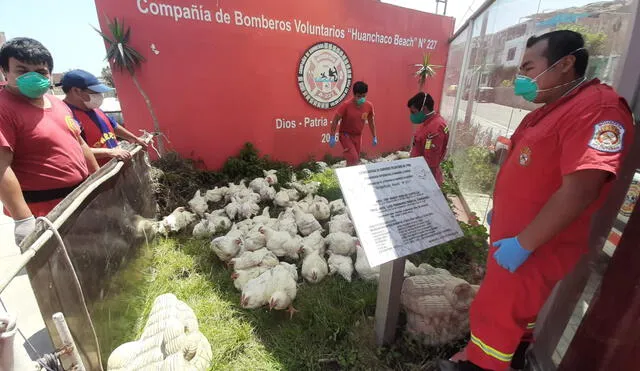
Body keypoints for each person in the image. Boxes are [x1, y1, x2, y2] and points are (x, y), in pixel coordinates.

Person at [439, 31, 635, 371]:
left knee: (497, 312)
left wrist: (524, 243)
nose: (522, 79)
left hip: (534, 246)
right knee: (515, 314)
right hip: (517, 240)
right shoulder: (552, 109)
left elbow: (581, 189)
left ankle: (478, 365)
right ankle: (511, 358)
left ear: (565, 64)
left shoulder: (598, 110)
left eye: (529, 68)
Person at [0, 38, 100, 245]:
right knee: (61, 273)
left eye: (41, 71)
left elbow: (80, 144)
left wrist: (99, 183)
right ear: (4, 71)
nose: (33, 77)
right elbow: (1, 166)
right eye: (22, 70)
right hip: (44, 212)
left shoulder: (57, 104)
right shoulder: (4, 108)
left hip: (79, 199)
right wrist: (23, 219)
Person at [61, 69, 147, 165]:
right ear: (76, 91)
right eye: (95, 92)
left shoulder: (93, 108)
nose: (100, 96)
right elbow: (75, 150)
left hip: (115, 164)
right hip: (97, 173)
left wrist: (135, 139)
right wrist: (109, 152)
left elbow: (113, 125)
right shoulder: (65, 116)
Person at [329, 81, 377, 166]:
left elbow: (371, 121)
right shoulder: (346, 105)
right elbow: (335, 120)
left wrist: (374, 136)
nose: (361, 98)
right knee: (353, 158)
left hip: (358, 136)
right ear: (354, 94)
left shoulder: (368, 106)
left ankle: (349, 177)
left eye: (364, 96)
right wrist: (332, 136)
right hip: (345, 135)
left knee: (354, 160)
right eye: (359, 96)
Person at [408, 92, 449, 186]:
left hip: (426, 179)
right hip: (419, 172)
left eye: (413, 112)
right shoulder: (429, 122)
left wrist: (425, 186)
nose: (412, 116)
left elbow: (431, 162)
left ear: (424, 109)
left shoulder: (435, 129)